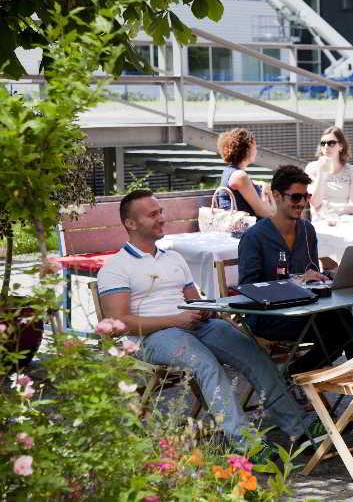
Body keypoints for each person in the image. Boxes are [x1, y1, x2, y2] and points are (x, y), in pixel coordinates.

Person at [97, 190, 309, 448]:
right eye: (153, 215)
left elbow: (193, 299)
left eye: (160, 212)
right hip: (151, 336)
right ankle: (247, 444)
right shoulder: (116, 267)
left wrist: (207, 309)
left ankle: (299, 427)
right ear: (131, 223)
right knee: (206, 364)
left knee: (253, 354)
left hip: (194, 325)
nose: (161, 218)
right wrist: (176, 320)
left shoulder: (173, 257)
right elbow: (117, 324)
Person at [238, 165, 353, 374]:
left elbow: (312, 273)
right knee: (341, 328)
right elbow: (249, 287)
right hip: (269, 317)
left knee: (342, 320)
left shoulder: (307, 230)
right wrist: (298, 281)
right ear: (276, 196)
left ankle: (293, 375)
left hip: (306, 310)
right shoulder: (255, 237)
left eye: (306, 197)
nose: (302, 203)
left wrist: (329, 277)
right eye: (295, 197)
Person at [216, 128, 276, 219]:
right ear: (247, 150)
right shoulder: (240, 176)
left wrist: (261, 184)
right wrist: (272, 202)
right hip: (243, 231)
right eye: (255, 147)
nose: (256, 151)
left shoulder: (230, 171)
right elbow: (263, 212)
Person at [305, 126, 353, 219]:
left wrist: (332, 209)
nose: (326, 147)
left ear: (341, 146)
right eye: (323, 143)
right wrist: (321, 172)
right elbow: (315, 202)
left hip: (348, 218)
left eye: (331, 143)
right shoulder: (312, 168)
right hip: (322, 220)